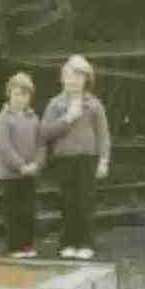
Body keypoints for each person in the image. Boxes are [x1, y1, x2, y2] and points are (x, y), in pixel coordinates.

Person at [40, 54, 110, 260]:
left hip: (87, 159)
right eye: (71, 76)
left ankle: (86, 243)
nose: (75, 81)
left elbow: (103, 135)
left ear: (86, 80)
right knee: (67, 202)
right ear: (63, 78)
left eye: (80, 77)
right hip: (64, 159)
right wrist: (67, 118)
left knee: (85, 202)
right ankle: (68, 242)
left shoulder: (95, 105)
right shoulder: (55, 105)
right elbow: (44, 133)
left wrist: (104, 160)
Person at [0, 71, 45, 257]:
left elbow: (41, 144)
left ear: (30, 96)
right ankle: (14, 246)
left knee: (28, 211)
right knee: (13, 212)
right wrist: (21, 165)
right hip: (11, 174)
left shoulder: (34, 118)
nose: (21, 99)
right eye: (17, 94)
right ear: (9, 94)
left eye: (25, 95)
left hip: (30, 174)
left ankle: (28, 245)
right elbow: (3, 146)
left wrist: (37, 164)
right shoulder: (3, 118)